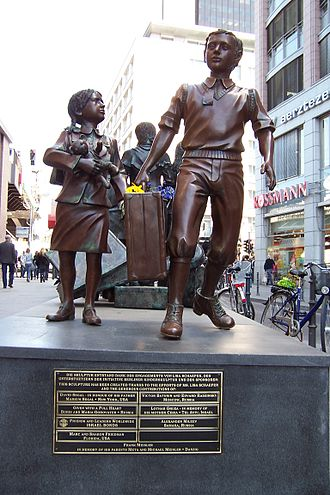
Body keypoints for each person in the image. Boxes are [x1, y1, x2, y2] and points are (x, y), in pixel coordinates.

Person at [135, 29, 276, 339]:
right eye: (211, 46)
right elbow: (167, 129)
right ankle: (174, 307)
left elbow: (263, 127)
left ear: (237, 57)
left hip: (230, 167)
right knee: (183, 238)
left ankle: (207, 297)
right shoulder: (187, 91)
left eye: (223, 48)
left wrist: (267, 158)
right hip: (194, 163)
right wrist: (146, 166)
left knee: (225, 247)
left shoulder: (247, 96)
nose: (215, 51)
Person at [43, 89, 125, 325]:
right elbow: (50, 155)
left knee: (94, 256)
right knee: (65, 253)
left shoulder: (110, 142)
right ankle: (67, 303)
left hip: (97, 205)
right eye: (95, 101)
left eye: (103, 101)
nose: (102, 105)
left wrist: (119, 196)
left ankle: (89, 306)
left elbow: (117, 171)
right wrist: (79, 162)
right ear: (79, 109)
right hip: (70, 203)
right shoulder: (68, 136)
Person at [122, 122, 171, 187]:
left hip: (135, 194)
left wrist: (128, 191)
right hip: (157, 195)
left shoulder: (129, 154)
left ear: (138, 135)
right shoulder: (163, 155)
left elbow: (122, 178)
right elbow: (170, 180)